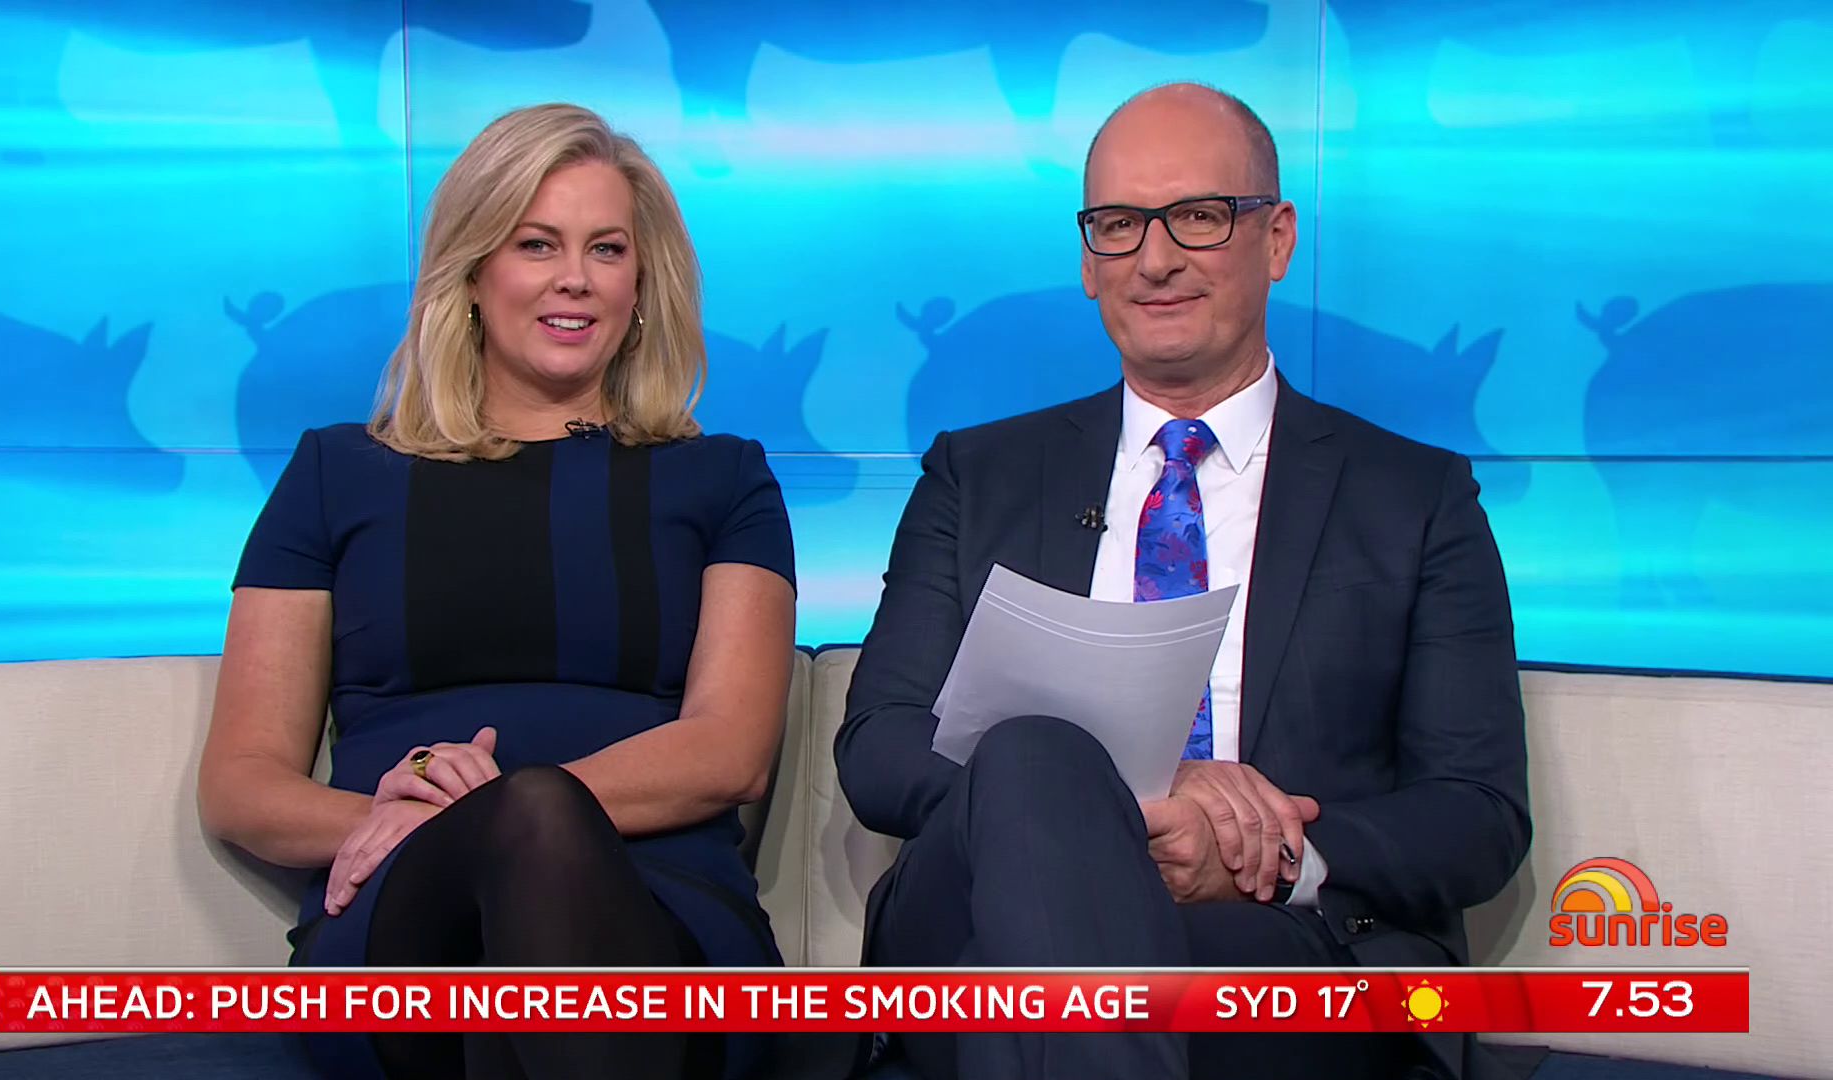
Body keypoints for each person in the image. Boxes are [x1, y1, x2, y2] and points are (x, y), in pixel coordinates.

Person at [836, 83, 1530, 1080]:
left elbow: (1476, 812)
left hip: (1272, 939)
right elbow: (880, 748)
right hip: (975, 898)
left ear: (1277, 239)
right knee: (1036, 756)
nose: (1154, 259)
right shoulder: (976, 475)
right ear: (1088, 261)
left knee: (1027, 995)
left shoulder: (1413, 497)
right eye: (1119, 225)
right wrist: (1101, 808)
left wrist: (1264, 853)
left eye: (1197, 217)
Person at [197, 103, 797, 1080]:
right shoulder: (335, 475)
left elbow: (730, 752)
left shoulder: (723, 480)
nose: (575, 278)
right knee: (525, 831)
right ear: (473, 272)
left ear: (642, 284)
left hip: (658, 908)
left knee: (539, 820)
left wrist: (513, 809)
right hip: (407, 904)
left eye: (607, 248)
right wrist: (432, 827)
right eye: (536, 243)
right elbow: (241, 783)